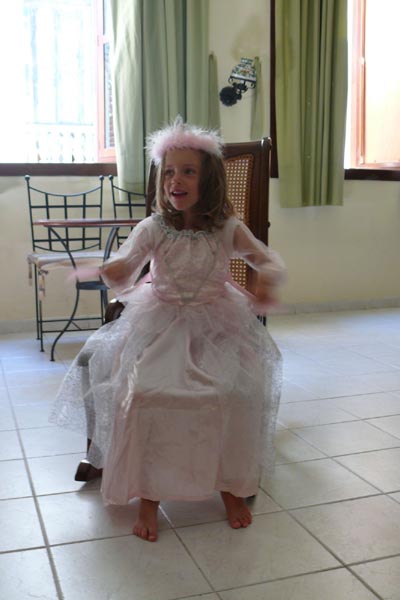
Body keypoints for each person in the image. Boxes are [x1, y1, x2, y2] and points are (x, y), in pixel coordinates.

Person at [50, 118, 285, 542]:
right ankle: (149, 494)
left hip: (217, 327)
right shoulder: (154, 227)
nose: (176, 180)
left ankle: (230, 486)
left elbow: (264, 259)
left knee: (233, 394)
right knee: (143, 395)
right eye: (169, 172)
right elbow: (128, 264)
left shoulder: (227, 229)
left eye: (188, 171)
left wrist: (267, 279)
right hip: (160, 325)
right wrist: (109, 269)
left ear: (209, 180)